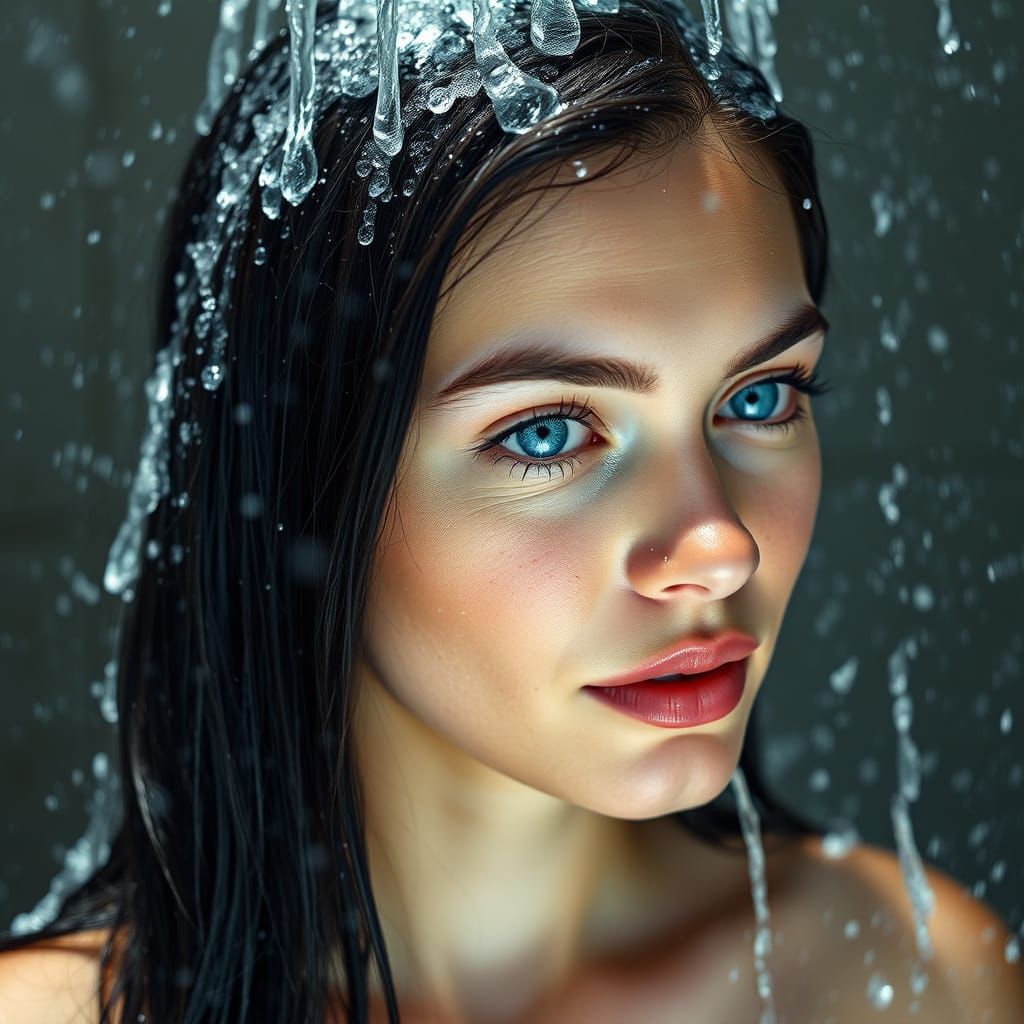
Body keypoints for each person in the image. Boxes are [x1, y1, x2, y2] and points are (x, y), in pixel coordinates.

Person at [1, 1, 1021, 1021]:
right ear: (297, 483)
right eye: (545, 433)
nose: (718, 546)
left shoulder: (909, 978)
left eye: (758, 397)